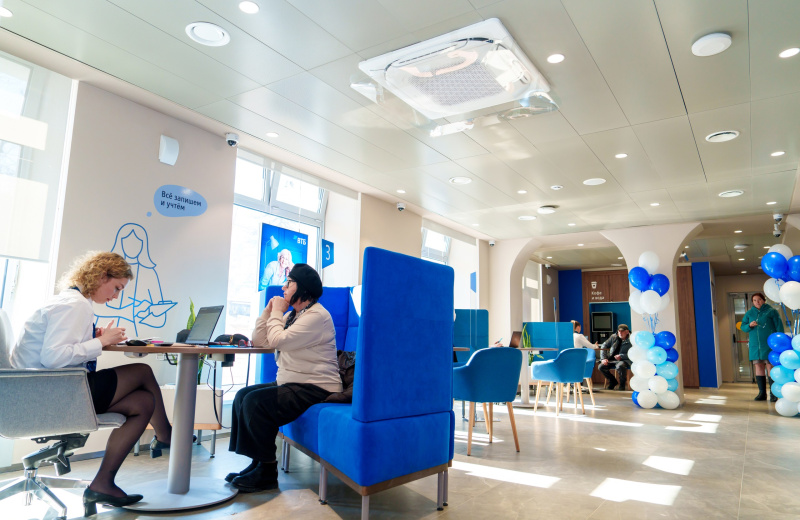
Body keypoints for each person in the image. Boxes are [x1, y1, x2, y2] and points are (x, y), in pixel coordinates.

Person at [10, 252, 174, 515]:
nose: (116, 296)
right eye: (117, 287)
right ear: (101, 276)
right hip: (51, 395)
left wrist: (90, 338)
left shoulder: (69, 301)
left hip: (39, 392)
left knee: (144, 402)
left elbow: (55, 350)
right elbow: (53, 358)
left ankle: (103, 484)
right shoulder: (76, 305)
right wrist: (100, 341)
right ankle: (166, 436)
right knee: (142, 371)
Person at [227, 263, 342, 492]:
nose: (283, 287)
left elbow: (278, 340)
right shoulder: (293, 315)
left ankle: (267, 471)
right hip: (293, 382)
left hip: (316, 386)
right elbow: (261, 341)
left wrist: (277, 313)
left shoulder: (317, 316)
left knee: (256, 403)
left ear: (303, 288)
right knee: (242, 396)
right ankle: (257, 462)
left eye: (289, 283)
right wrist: (268, 312)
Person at [740, 292, 784, 402]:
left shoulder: (771, 311)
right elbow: (743, 327)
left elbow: (779, 327)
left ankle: (773, 393)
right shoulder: (749, 313)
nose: (757, 302)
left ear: (764, 300)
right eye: (754, 300)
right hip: (755, 346)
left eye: (759, 299)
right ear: (752, 302)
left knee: (770, 367)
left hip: (769, 345)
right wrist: (749, 325)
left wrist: (779, 342)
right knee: (758, 367)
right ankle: (762, 393)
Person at [598, 324, 632, 391]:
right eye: (619, 331)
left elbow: (633, 353)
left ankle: (622, 384)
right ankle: (613, 382)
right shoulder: (613, 337)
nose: (620, 333)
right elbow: (604, 345)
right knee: (601, 367)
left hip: (624, 360)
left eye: (622, 331)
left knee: (620, 366)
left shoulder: (631, 340)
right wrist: (603, 358)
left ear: (627, 332)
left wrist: (621, 356)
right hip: (611, 359)